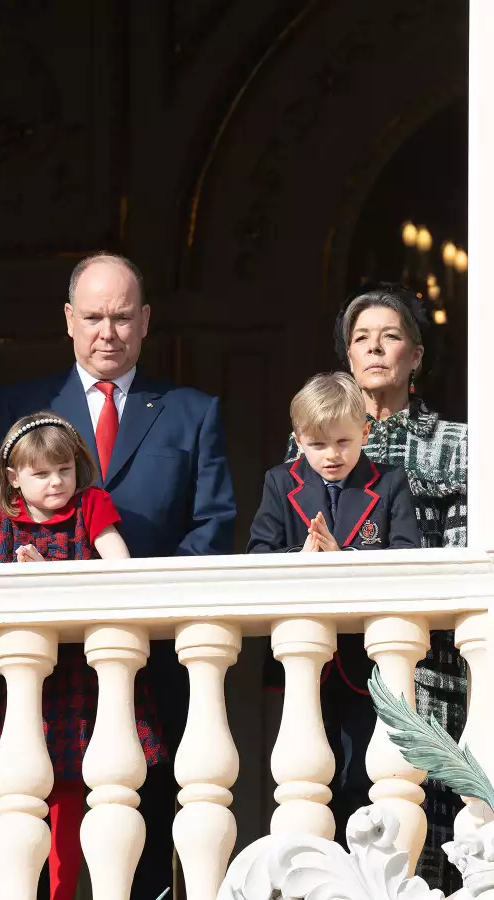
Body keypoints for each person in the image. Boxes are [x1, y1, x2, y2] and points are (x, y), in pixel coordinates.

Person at [0, 252, 236, 899]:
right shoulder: (22, 406)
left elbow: (213, 528)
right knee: (41, 833)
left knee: (147, 825)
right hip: (48, 662)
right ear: (68, 320)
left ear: (145, 321)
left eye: (121, 317)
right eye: (93, 316)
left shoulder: (190, 411)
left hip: (158, 657)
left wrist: (137, 600)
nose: (107, 331)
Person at [284, 283, 467, 892]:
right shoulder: (307, 445)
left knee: (430, 825)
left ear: (416, 355)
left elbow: (458, 553)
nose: (374, 349)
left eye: (391, 336)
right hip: (338, 662)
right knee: (333, 804)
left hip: (430, 659)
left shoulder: (457, 443)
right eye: (361, 338)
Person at [0, 413, 167, 900]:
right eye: (41, 473)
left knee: (74, 792)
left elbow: (120, 567)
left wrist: (54, 574)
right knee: (19, 794)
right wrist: (12, 574)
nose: (57, 483)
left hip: (79, 682)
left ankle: (62, 893)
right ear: (13, 477)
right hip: (14, 680)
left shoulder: (91, 505)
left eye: (65, 470)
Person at [248, 372, 421, 834]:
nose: (332, 455)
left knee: (363, 774)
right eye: (318, 444)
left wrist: (345, 560)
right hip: (306, 657)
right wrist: (300, 558)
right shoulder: (278, 483)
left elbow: (407, 556)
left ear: (365, 433)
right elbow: (257, 554)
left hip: (369, 660)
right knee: (306, 774)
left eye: (344, 442)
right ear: (297, 438)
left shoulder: (388, 483)